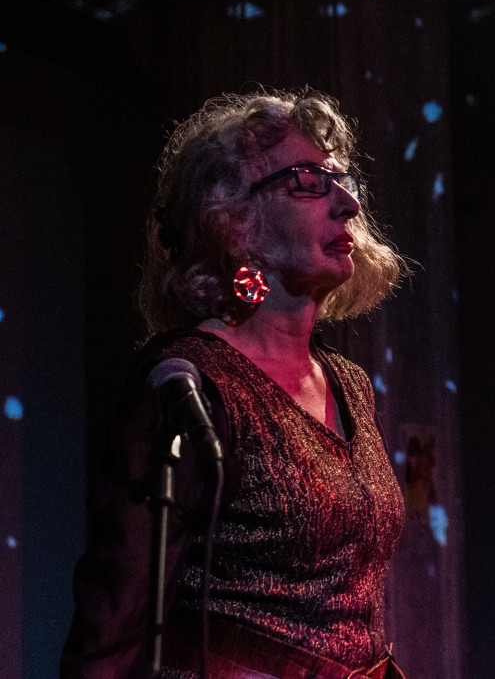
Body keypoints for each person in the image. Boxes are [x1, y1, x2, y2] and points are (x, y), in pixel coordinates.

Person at [61, 88, 410, 678]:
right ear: (232, 221)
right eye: (309, 180)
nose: (348, 203)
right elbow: (115, 618)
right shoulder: (190, 381)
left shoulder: (350, 384)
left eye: (343, 180)